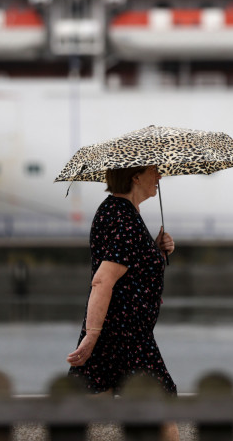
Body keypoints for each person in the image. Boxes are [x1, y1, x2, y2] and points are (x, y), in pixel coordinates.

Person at [67, 164, 179, 441]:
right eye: (155, 171)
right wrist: (92, 336)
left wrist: (155, 249)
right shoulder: (124, 219)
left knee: (82, 407)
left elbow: (129, 264)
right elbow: (103, 280)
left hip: (118, 329)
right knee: (161, 409)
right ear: (136, 176)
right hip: (127, 334)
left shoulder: (116, 211)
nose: (159, 177)